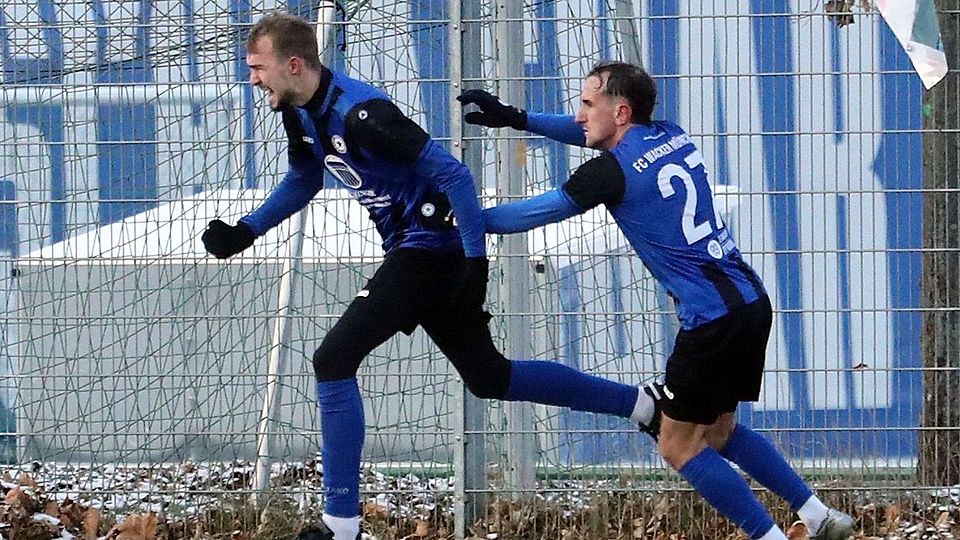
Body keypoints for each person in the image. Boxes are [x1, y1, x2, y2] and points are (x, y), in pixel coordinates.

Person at [202, 15, 662, 540]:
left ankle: (340, 524)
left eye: (257, 68)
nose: (253, 80)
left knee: (332, 359)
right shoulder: (300, 113)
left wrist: (474, 264)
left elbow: (455, 176)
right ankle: (643, 405)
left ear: (293, 64)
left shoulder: (364, 115)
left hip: (431, 249)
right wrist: (247, 229)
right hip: (418, 252)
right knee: (491, 377)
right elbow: (305, 177)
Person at [459, 61, 857, 540]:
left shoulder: (611, 172)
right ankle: (819, 516)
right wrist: (517, 118)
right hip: (749, 302)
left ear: (621, 111)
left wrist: (464, 218)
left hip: (711, 322)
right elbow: (586, 130)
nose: (579, 115)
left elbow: (536, 212)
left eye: (588, 104)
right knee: (719, 434)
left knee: (678, 447)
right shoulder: (670, 133)